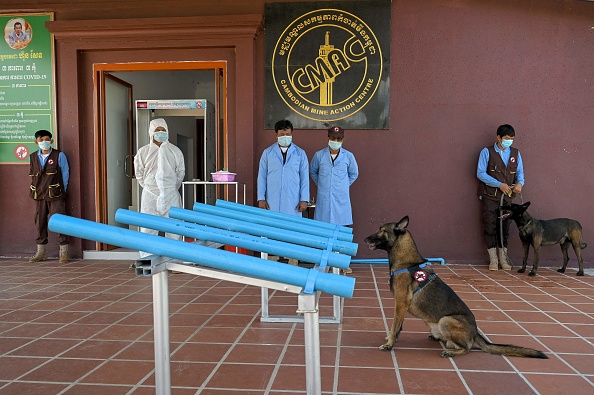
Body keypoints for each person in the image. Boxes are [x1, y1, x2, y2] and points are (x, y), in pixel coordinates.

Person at [257, 119, 309, 265]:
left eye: (287, 134)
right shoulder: (268, 153)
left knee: (292, 229)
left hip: (293, 200)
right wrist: (261, 197)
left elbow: (305, 178)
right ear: (276, 135)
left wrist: (304, 199)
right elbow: (261, 176)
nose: (284, 136)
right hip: (271, 200)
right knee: (272, 228)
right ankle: (273, 256)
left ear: (292, 134)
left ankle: (292, 256)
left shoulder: (300, 154)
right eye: (281, 134)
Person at [134, 118, 185, 258]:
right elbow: (139, 174)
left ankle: (174, 260)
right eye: (158, 130)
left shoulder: (175, 151)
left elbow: (180, 172)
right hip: (150, 195)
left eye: (163, 130)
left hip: (171, 194)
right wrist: (151, 188)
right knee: (147, 228)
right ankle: (147, 260)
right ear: (151, 132)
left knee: (174, 228)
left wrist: (170, 188)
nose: (161, 133)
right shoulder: (143, 152)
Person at [477, 124, 524, 271]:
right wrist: (499, 184)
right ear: (498, 138)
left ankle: (503, 259)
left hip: (507, 199)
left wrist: (520, 184)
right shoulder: (487, 152)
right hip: (490, 197)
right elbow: (480, 173)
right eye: (506, 138)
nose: (509, 141)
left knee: (504, 228)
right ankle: (493, 260)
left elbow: (520, 172)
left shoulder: (516, 154)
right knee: (490, 226)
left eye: (511, 139)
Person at [28, 130, 70, 263]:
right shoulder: (33, 156)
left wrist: (62, 190)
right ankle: (41, 252)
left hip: (56, 194)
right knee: (39, 221)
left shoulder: (59, 155)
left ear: (51, 141)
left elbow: (65, 173)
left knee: (60, 221)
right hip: (39, 195)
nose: (44, 142)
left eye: (46, 139)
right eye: (41, 140)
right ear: (36, 142)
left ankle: (63, 252)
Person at [310, 125, 359, 226]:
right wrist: (321, 183)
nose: (335, 141)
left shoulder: (348, 156)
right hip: (324, 200)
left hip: (341, 201)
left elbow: (354, 174)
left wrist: (343, 184)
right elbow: (313, 171)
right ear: (328, 138)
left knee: (342, 233)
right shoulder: (319, 155)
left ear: (342, 140)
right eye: (333, 138)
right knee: (323, 231)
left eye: (339, 139)